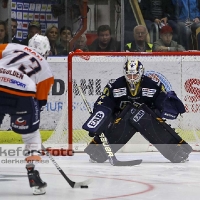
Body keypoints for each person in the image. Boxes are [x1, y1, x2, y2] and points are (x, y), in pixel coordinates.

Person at [82, 59, 192, 163]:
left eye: (135, 75)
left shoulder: (153, 85)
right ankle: (97, 152)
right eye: (129, 74)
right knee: (126, 117)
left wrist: (161, 111)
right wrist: (98, 122)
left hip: (147, 119)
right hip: (121, 120)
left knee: (143, 117)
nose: (132, 78)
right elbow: (104, 104)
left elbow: (161, 102)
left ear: (141, 73)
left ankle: (177, 151)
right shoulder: (115, 85)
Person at [0, 34, 54, 195]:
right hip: (22, 93)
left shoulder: (11, 46)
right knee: (31, 136)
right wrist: (32, 124)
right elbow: (41, 102)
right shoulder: (45, 68)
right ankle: (33, 174)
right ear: (46, 51)